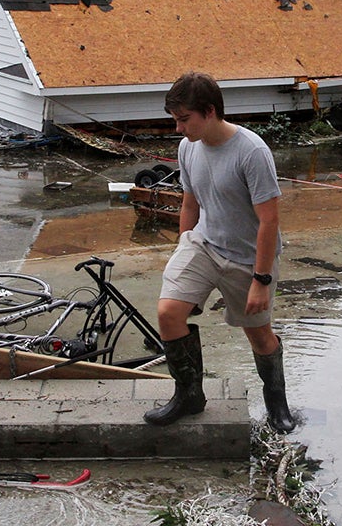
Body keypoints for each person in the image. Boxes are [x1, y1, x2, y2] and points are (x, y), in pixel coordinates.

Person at [143, 72, 295, 433]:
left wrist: (261, 279)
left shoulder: (252, 151)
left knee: (258, 335)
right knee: (168, 312)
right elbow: (190, 205)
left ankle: (277, 402)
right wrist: (183, 250)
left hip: (249, 256)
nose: (178, 129)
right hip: (204, 245)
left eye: (184, 120)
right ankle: (189, 396)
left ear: (209, 112)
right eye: (175, 120)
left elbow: (269, 221)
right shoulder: (188, 147)